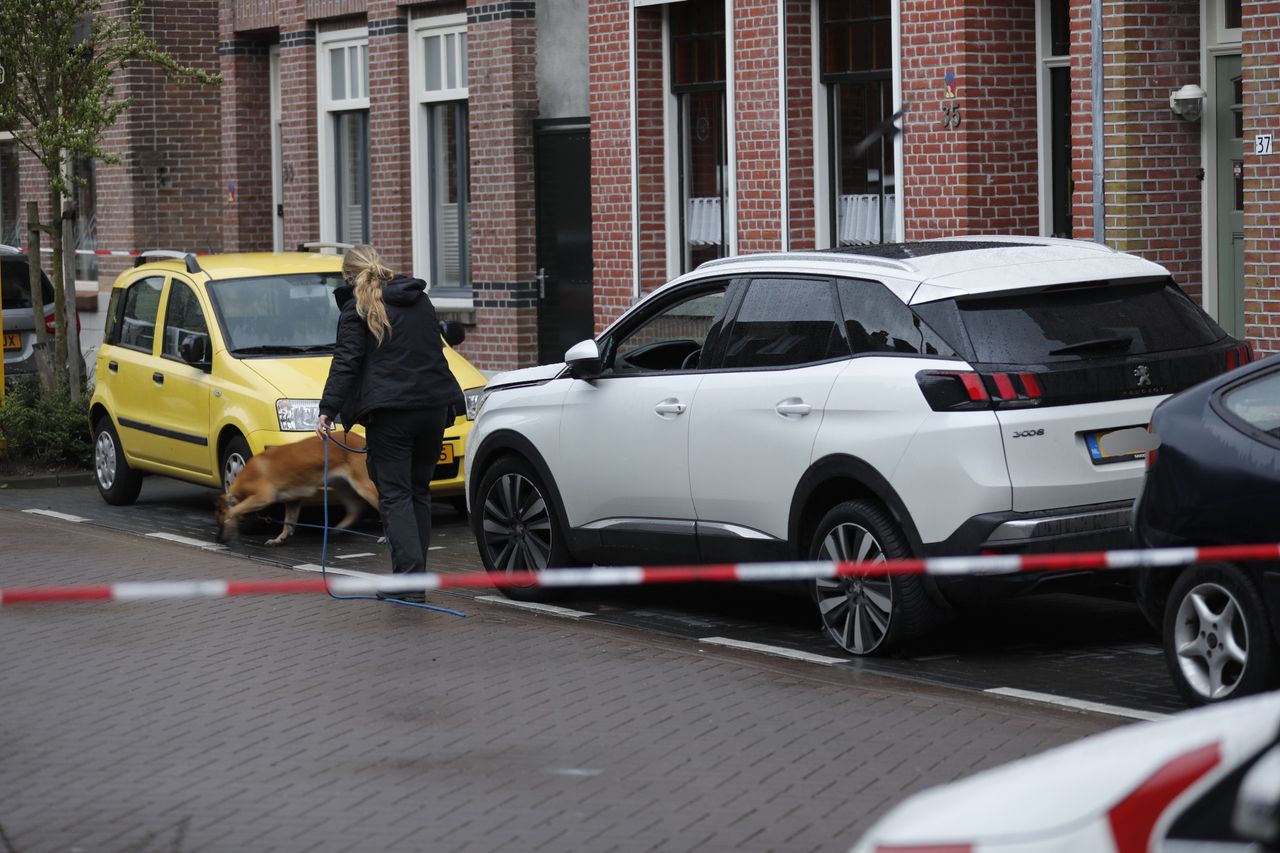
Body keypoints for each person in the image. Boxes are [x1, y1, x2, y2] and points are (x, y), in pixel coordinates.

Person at [317, 244, 461, 602]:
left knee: (396, 496)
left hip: (392, 413)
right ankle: (410, 577)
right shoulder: (420, 300)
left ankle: (409, 584)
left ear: (348, 277)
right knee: (418, 492)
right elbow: (434, 350)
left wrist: (327, 410)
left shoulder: (358, 308)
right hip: (432, 407)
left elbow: (346, 363)